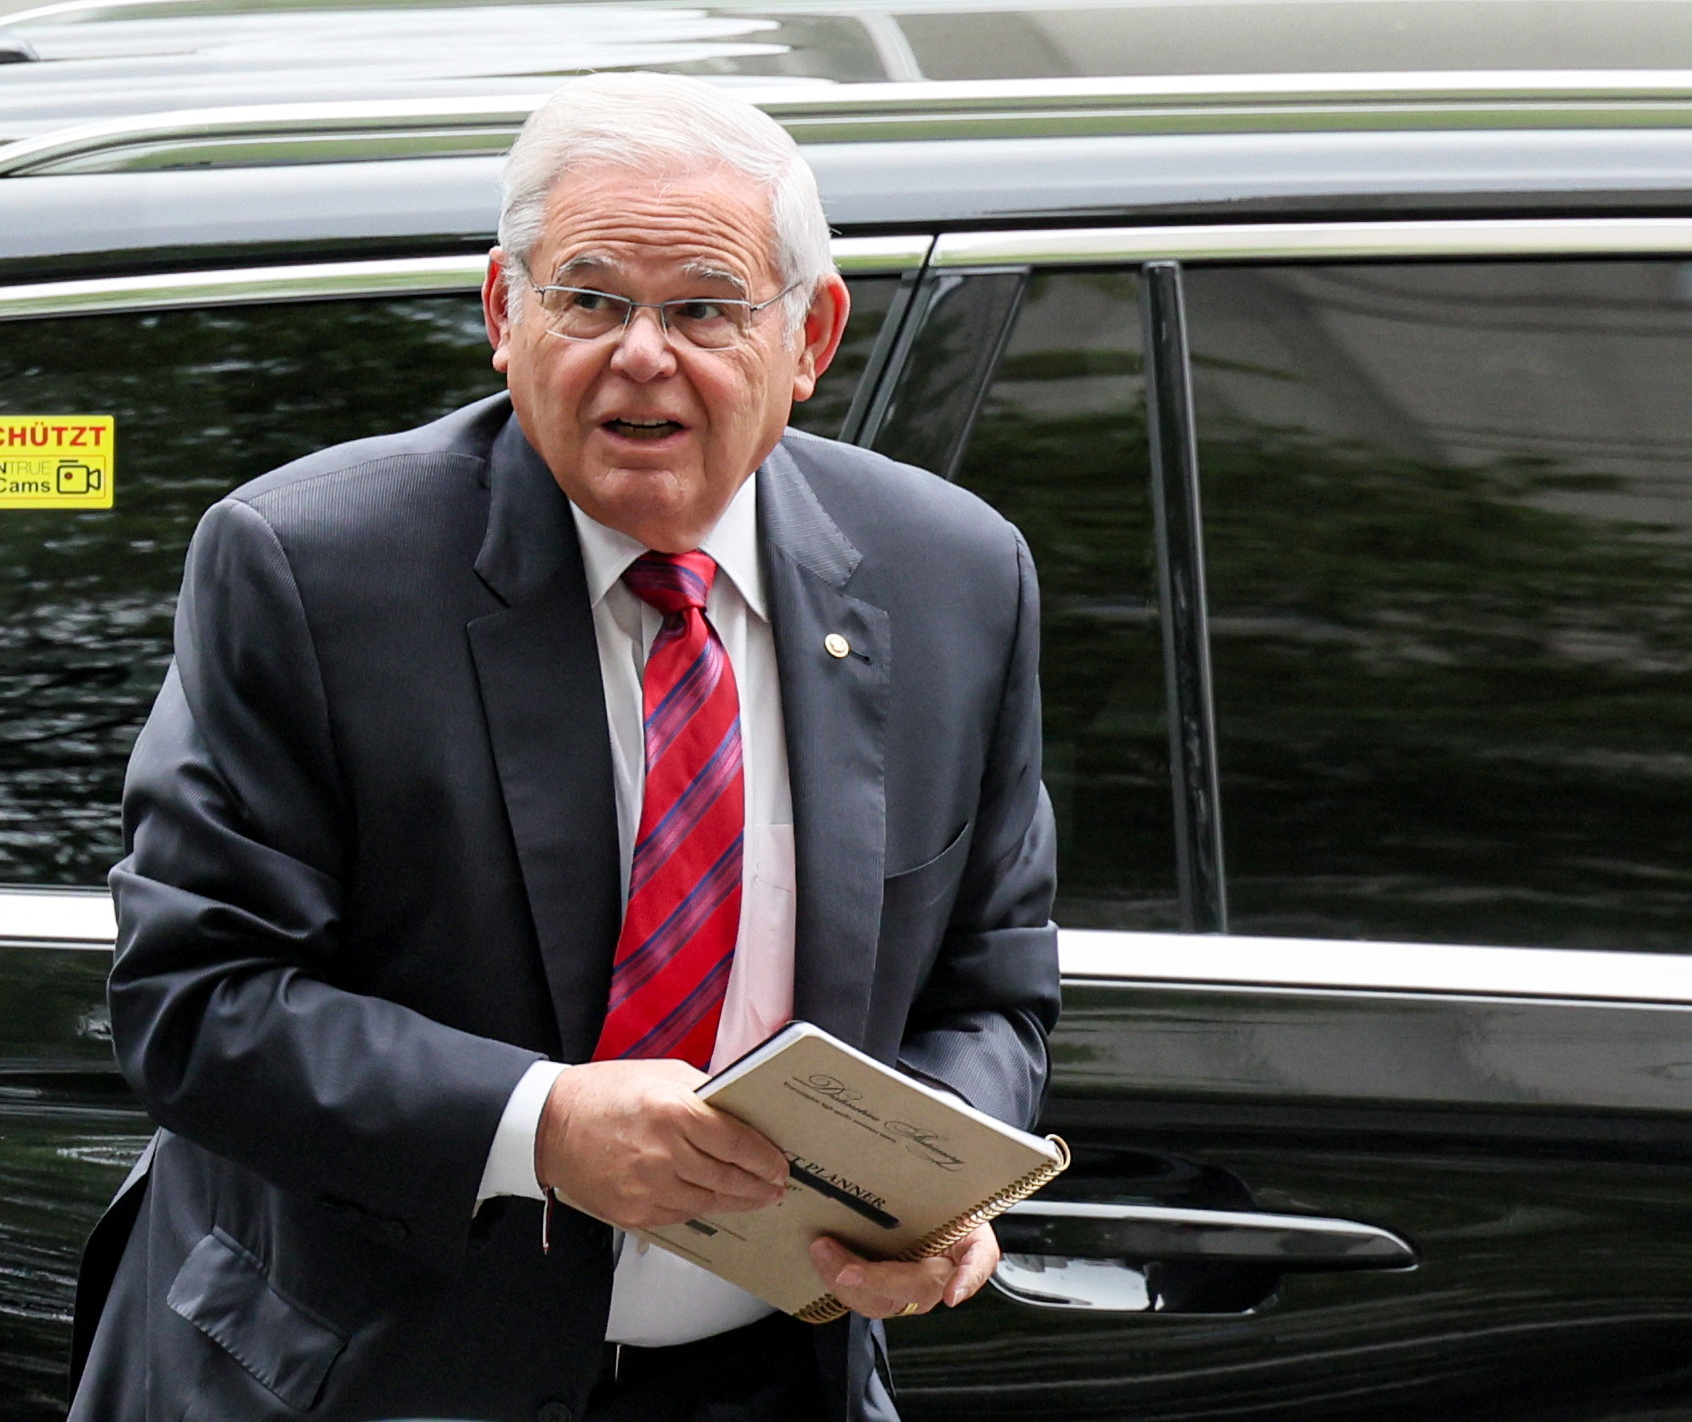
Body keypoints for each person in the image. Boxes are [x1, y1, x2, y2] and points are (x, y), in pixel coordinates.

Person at [68, 70, 1059, 1422]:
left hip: (774, 1373)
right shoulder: (309, 570)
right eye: (590, 299)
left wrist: (929, 1192)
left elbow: (988, 988)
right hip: (371, 1376)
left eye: (704, 307)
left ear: (811, 333)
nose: (642, 353)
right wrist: (542, 1127)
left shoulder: (953, 577)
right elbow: (195, 999)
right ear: (502, 312)